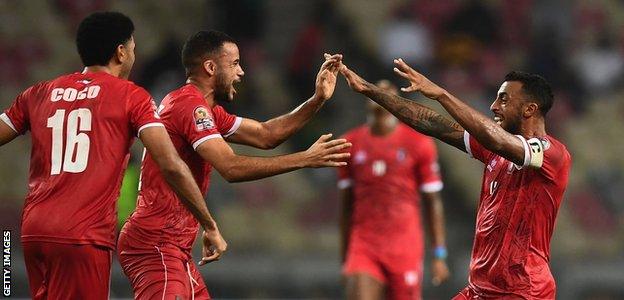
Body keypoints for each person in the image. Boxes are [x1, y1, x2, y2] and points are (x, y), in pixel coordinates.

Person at [0, 12, 226, 300]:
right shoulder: (132, 97)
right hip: (82, 236)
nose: (134, 54)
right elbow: (170, 164)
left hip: (34, 233)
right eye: (132, 47)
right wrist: (209, 224)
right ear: (121, 52)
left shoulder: (38, 93)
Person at [117, 30, 350, 299]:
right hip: (155, 242)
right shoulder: (189, 106)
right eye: (235, 63)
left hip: (172, 245)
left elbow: (266, 135)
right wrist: (304, 159)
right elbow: (231, 168)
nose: (241, 73)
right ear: (210, 67)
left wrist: (317, 98)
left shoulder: (207, 111)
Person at [340, 58, 571, 299]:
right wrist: (371, 90)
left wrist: (442, 95)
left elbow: (498, 140)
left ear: (529, 109)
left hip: (524, 291)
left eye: (503, 99)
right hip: (480, 289)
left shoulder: (552, 154)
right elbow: (433, 124)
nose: (493, 106)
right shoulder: (493, 152)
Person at [338, 79, 450, 300]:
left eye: (388, 91)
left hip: (404, 245)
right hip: (365, 244)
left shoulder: (419, 144)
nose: (382, 91)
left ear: (396, 102)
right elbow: (345, 206)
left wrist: (439, 254)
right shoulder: (349, 144)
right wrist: (344, 259)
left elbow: (432, 201)